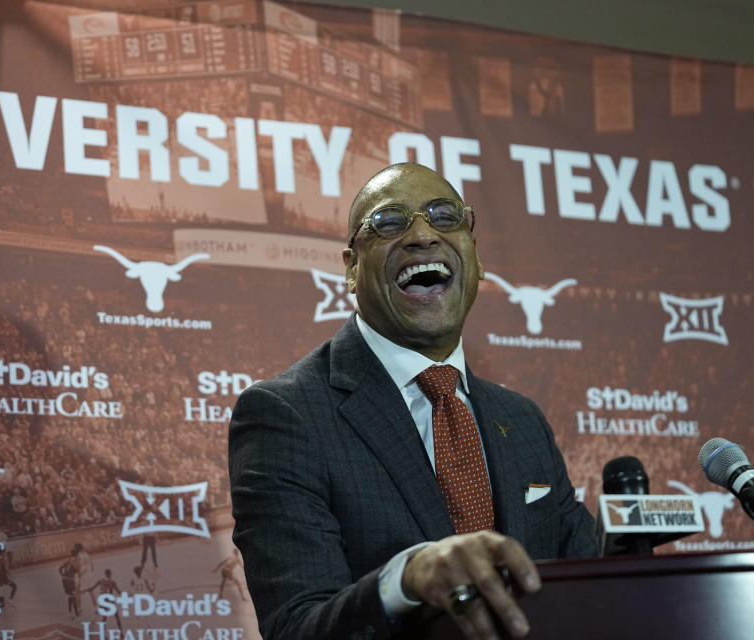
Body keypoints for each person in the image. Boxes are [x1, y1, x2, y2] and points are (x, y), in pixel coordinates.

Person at [228, 163, 596, 640]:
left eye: (445, 216)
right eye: (389, 222)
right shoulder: (286, 415)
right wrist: (405, 580)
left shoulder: (522, 420)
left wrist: (634, 548)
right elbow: (296, 627)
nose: (423, 235)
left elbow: (590, 578)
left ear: (477, 258)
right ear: (352, 269)